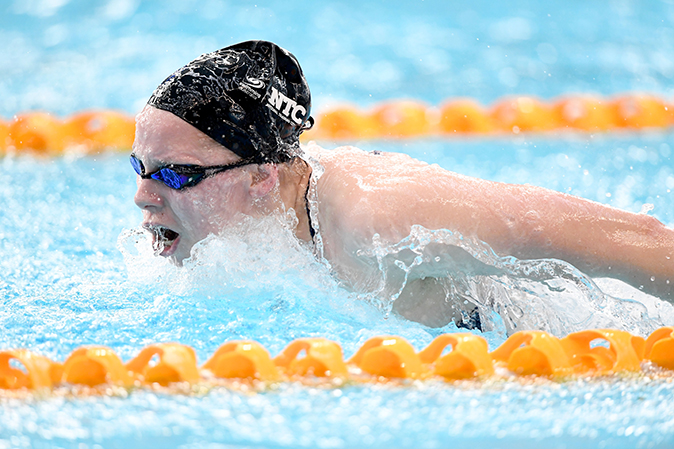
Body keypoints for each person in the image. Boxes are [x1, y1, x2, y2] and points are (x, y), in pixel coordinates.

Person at [131, 40, 674, 330]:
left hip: (541, 332)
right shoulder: (246, 220)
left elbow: (583, 230)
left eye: (177, 175)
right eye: (140, 168)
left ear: (261, 178)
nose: (144, 196)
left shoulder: (377, 218)